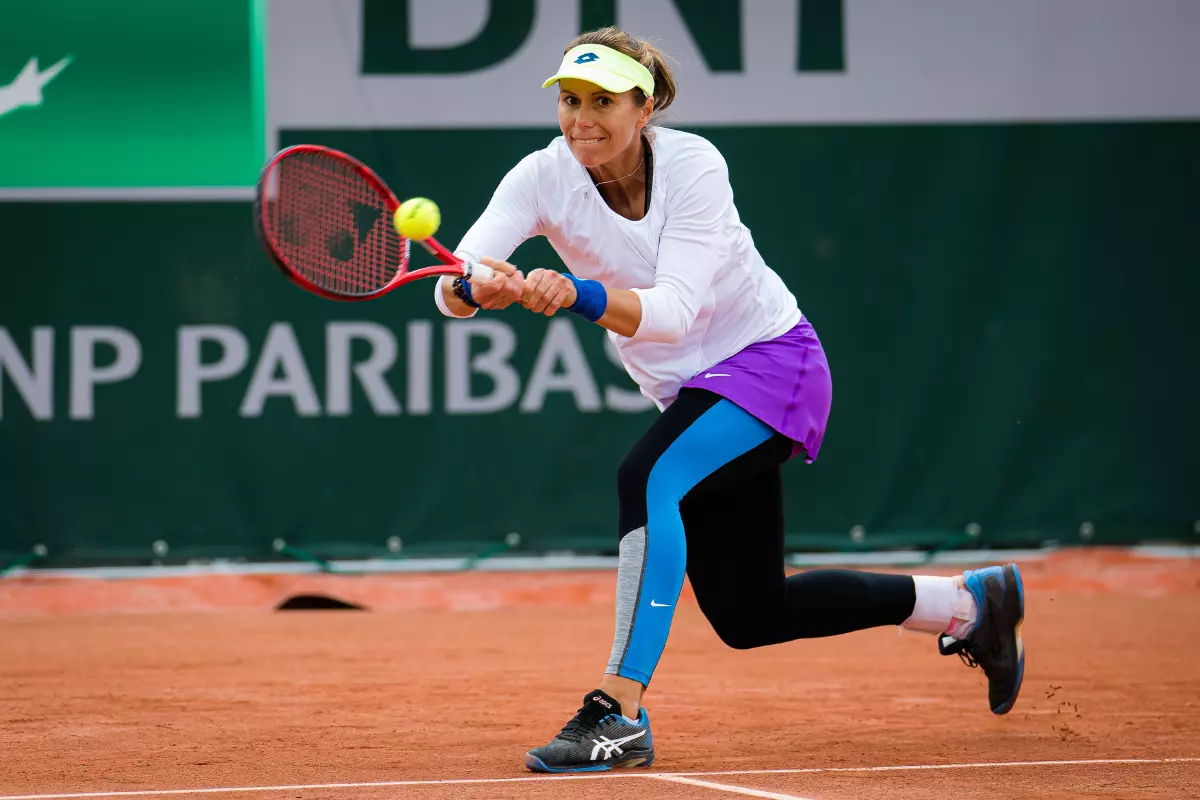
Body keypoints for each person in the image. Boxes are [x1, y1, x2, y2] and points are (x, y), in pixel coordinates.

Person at [433, 27, 1025, 773]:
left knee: (647, 477)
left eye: (603, 102)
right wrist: (473, 289)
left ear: (645, 107)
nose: (582, 119)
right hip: (692, 394)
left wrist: (576, 293)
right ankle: (970, 606)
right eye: (571, 100)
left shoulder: (694, 165)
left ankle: (618, 712)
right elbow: (456, 279)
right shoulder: (540, 177)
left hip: (772, 363)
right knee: (751, 614)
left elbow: (674, 312)